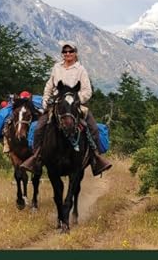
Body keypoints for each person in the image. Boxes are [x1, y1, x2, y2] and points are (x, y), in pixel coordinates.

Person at [20, 41, 112, 176]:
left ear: (75, 54)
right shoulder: (57, 67)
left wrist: (74, 100)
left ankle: (95, 157)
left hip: (75, 104)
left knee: (92, 127)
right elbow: (49, 85)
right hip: (57, 103)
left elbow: (87, 90)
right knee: (39, 127)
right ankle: (36, 156)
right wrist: (46, 100)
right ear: (62, 54)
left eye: (70, 51)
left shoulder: (80, 69)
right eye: (65, 52)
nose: (67, 54)